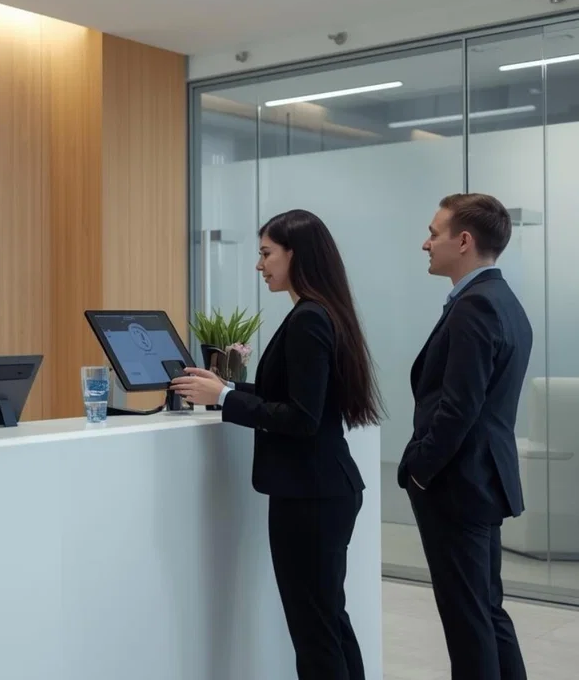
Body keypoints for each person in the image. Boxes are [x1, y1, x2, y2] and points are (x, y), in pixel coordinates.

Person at [171, 209, 381, 680]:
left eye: (266, 253)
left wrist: (224, 397)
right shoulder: (322, 311)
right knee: (328, 621)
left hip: (310, 495)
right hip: (324, 490)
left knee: (315, 631)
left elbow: (301, 419)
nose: (259, 265)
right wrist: (224, 389)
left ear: (295, 254)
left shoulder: (308, 318)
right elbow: (294, 400)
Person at [398, 193, 531, 680]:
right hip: (479, 483)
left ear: (465, 240)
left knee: (468, 618)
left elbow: (458, 408)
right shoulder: (500, 300)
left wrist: (420, 469)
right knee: (486, 611)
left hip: (458, 486)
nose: (426, 243)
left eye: (434, 233)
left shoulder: (476, 306)